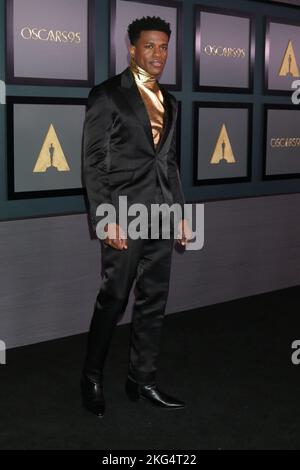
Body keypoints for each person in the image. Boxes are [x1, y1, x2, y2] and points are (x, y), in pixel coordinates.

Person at [81, 16, 192, 417]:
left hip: (161, 215)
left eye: (163, 46)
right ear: (132, 48)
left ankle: (141, 379)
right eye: (150, 46)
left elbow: (170, 163)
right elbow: (93, 163)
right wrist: (104, 218)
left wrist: (180, 214)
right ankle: (91, 377)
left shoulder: (172, 101)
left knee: (153, 302)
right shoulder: (107, 95)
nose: (158, 54)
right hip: (123, 215)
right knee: (113, 299)